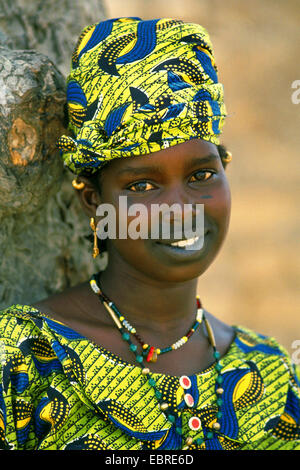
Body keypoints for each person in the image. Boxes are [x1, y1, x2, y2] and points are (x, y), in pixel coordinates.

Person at [0, 17, 299, 451]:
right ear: (93, 201)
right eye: (142, 185)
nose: (180, 208)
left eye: (201, 174)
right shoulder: (25, 361)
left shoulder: (272, 374)